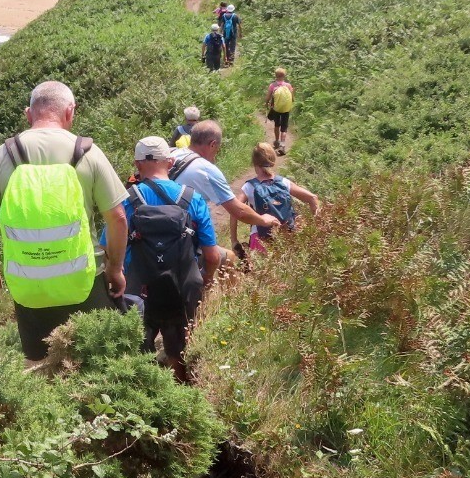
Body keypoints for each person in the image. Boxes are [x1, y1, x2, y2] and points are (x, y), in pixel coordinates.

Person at [0, 81, 129, 366]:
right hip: (85, 277)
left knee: (40, 365)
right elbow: (117, 218)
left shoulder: (4, 154)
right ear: (70, 112)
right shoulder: (88, 152)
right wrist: (115, 269)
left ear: (28, 114)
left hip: (29, 280)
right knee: (96, 362)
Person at [121, 136, 221, 383]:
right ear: (171, 162)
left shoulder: (127, 200)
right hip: (182, 285)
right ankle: (182, 393)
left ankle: (145, 394)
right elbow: (212, 254)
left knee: (138, 353)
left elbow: (109, 246)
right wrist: (206, 278)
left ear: (137, 164)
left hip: (140, 288)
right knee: (180, 352)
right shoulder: (192, 198)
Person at [168, 120, 282, 262]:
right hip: (180, 238)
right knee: (228, 259)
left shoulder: (171, 154)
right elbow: (239, 211)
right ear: (212, 144)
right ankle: (205, 276)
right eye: (218, 148)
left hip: (151, 231)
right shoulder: (206, 169)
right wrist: (263, 220)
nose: (216, 153)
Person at [230, 142, 320, 252]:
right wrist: (315, 230)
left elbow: (234, 210)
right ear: (273, 161)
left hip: (260, 239)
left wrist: (234, 240)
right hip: (287, 237)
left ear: (254, 163)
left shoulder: (249, 187)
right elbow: (312, 198)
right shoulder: (284, 182)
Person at [264, 68, 294, 150]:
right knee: (284, 128)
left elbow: (268, 97)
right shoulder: (288, 85)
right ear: (284, 76)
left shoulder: (272, 85)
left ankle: (277, 141)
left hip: (276, 109)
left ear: (275, 75)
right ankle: (282, 144)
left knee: (277, 125)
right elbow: (292, 98)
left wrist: (266, 103)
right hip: (286, 109)